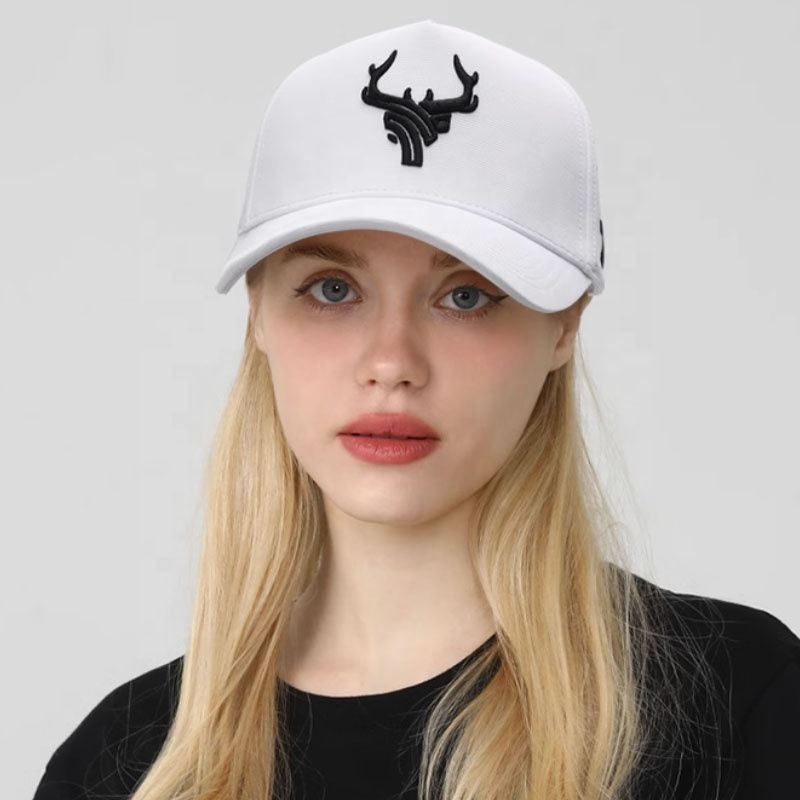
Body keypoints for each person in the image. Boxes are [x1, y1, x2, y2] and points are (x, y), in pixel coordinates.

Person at [33, 19, 800, 800]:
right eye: (333, 289)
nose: (392, 363)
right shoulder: (117, 766)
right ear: (258, 311)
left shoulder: (743, 707)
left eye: (465, 296)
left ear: (564, 326)